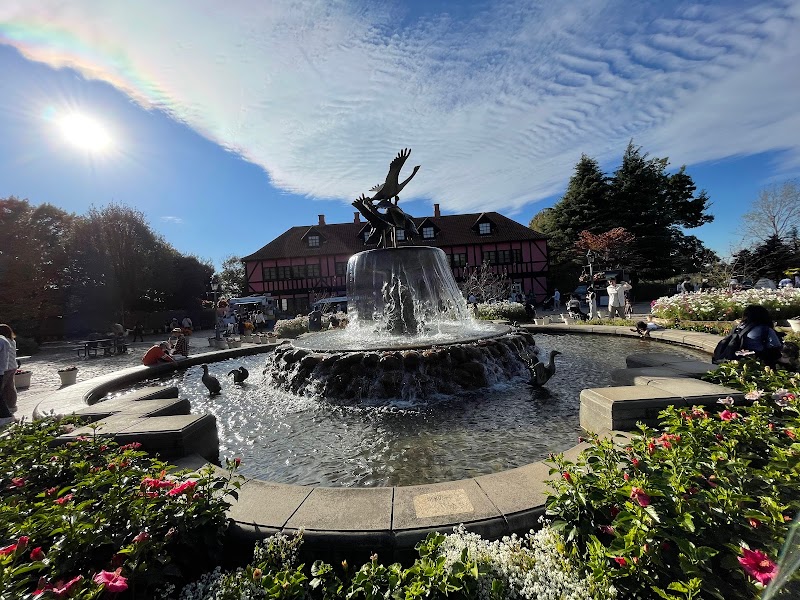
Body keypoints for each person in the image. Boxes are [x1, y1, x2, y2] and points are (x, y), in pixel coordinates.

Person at [0, 324, 18, 415]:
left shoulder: (3, 341)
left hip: (6, 367)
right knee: (10, 386)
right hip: (13, 365)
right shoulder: (12, 341)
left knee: (2, 388)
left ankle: (5, 408)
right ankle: (12, 405)